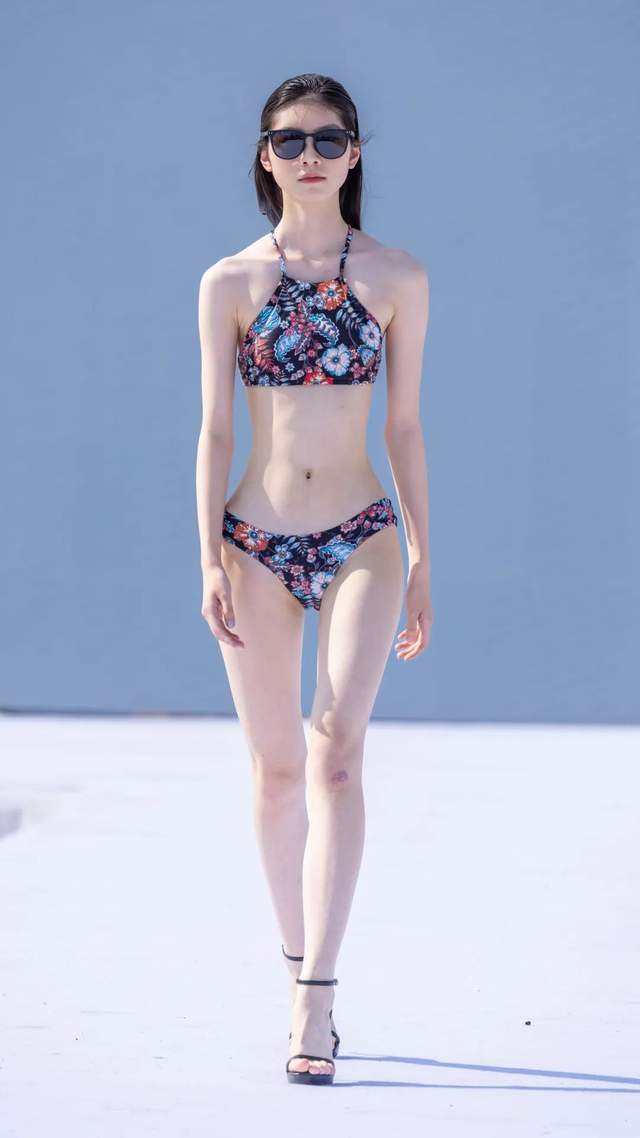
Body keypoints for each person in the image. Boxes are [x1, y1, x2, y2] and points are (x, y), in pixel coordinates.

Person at [195, 72, 432, 1085]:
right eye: (290, 141)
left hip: (360, 534)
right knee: (276, 769)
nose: (309, 157)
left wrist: (422, 556)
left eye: (328, 140)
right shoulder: (229, 282)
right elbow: (213, 430)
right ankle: (295, 959)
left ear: (354, 153)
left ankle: (317, 998)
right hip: (254, 540)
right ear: (265, 155)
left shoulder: (395, 276)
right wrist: (206, 553)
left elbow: (404, 426)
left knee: (336, 755)